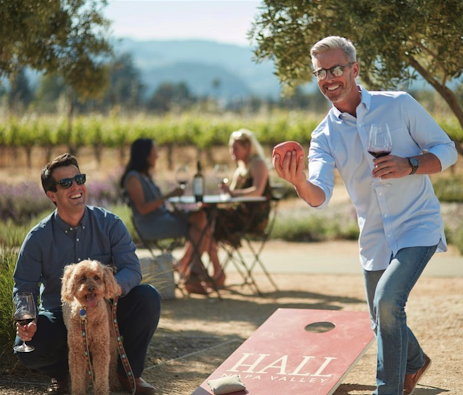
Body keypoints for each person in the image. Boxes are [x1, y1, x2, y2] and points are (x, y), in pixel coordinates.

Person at [273, 36, 458, 395]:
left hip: (417, 222)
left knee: (388, 302)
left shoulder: (399, 104)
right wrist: (297, 181)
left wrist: (411, 165)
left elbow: (446, 150)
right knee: (380, 318)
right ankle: (416, 362)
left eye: (336, 68)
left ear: (355, 70)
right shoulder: (323, 135)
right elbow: (319, 195)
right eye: (320, 72)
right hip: (374, 234)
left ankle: (385, 391)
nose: (328, 77)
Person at [13, 153, 160, 394]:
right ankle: (63, 376)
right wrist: (26, 319)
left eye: (79, 178)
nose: (76, 186)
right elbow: (23, 286)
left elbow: (132, 269)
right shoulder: (38, 238)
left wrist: (108, 290)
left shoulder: (110, 224)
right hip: (59, 313)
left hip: (106, 307)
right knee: (26, 349)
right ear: (52, 194)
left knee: (148, 298)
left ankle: (126, 374)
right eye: (66, 183)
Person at [120, 138, 223, 295]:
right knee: (200, 221)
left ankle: (190, 269)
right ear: (145, 155)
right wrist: (169, 195)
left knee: (201, 218)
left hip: (162, 219)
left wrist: (173, 211)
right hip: (151, 225)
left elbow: (156, 206)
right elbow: (143, 209)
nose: (158, 156)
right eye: (155, 153)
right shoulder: (133, 178)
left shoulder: (145, 176)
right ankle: (194, 271)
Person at [209, 129, 273, 276]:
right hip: (239, 213)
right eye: (231, 147)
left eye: (235, 148)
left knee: (207, 222)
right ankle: (208, 269)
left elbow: (257, 191)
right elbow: (231, 197)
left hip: (252, 217)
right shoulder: (240, 170)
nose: (232, 151)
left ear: (248, 148)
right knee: (203, 219)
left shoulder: (257, 164)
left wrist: (232, 193)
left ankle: (210, 271)